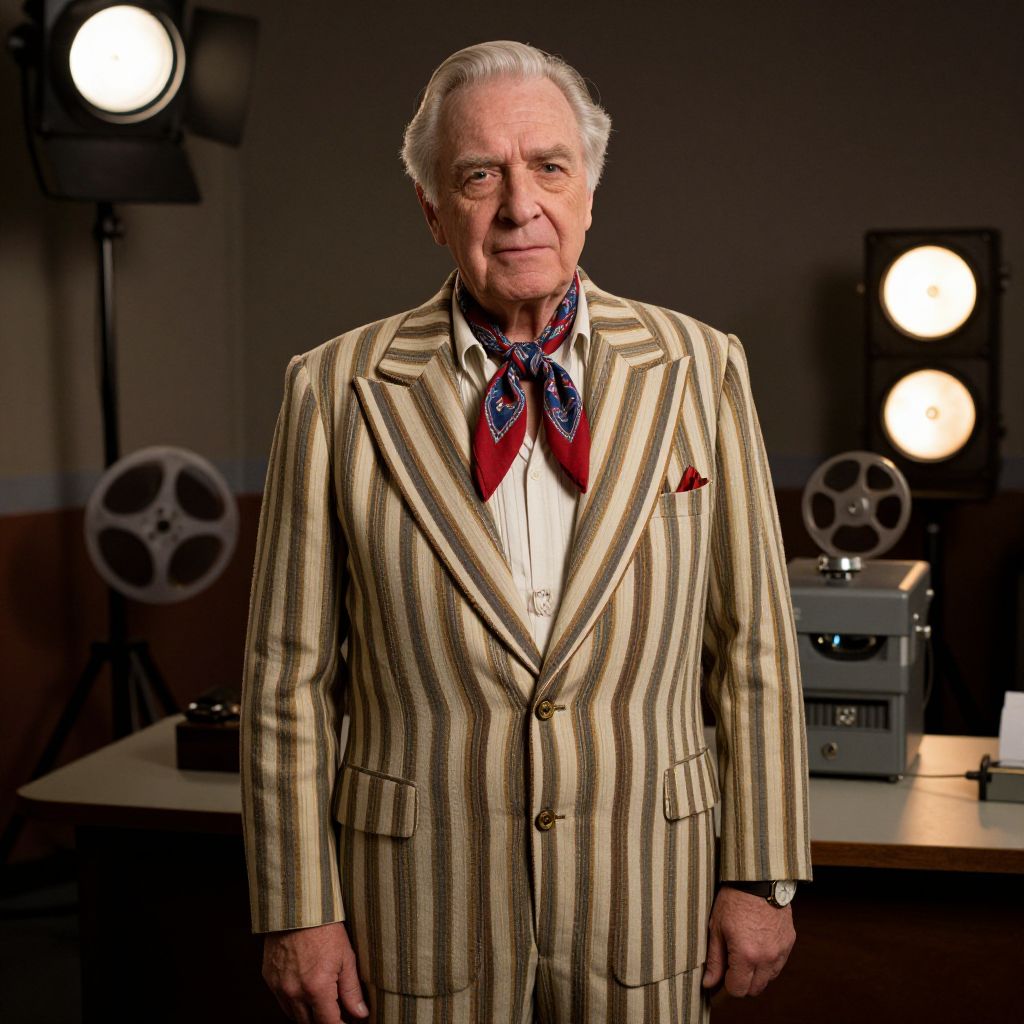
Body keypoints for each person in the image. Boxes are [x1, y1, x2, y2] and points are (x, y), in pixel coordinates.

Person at [241, 39, 811, 1024]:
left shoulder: (701, 366)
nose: (519, 205)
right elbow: (284, 676)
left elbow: (754, 646)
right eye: (478, 175)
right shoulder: (332, 389)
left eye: (548, 165)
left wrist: (762, 872)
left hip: (649, 892)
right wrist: (296, 906)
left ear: (588, 186)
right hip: (415, 908)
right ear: (431, 208)